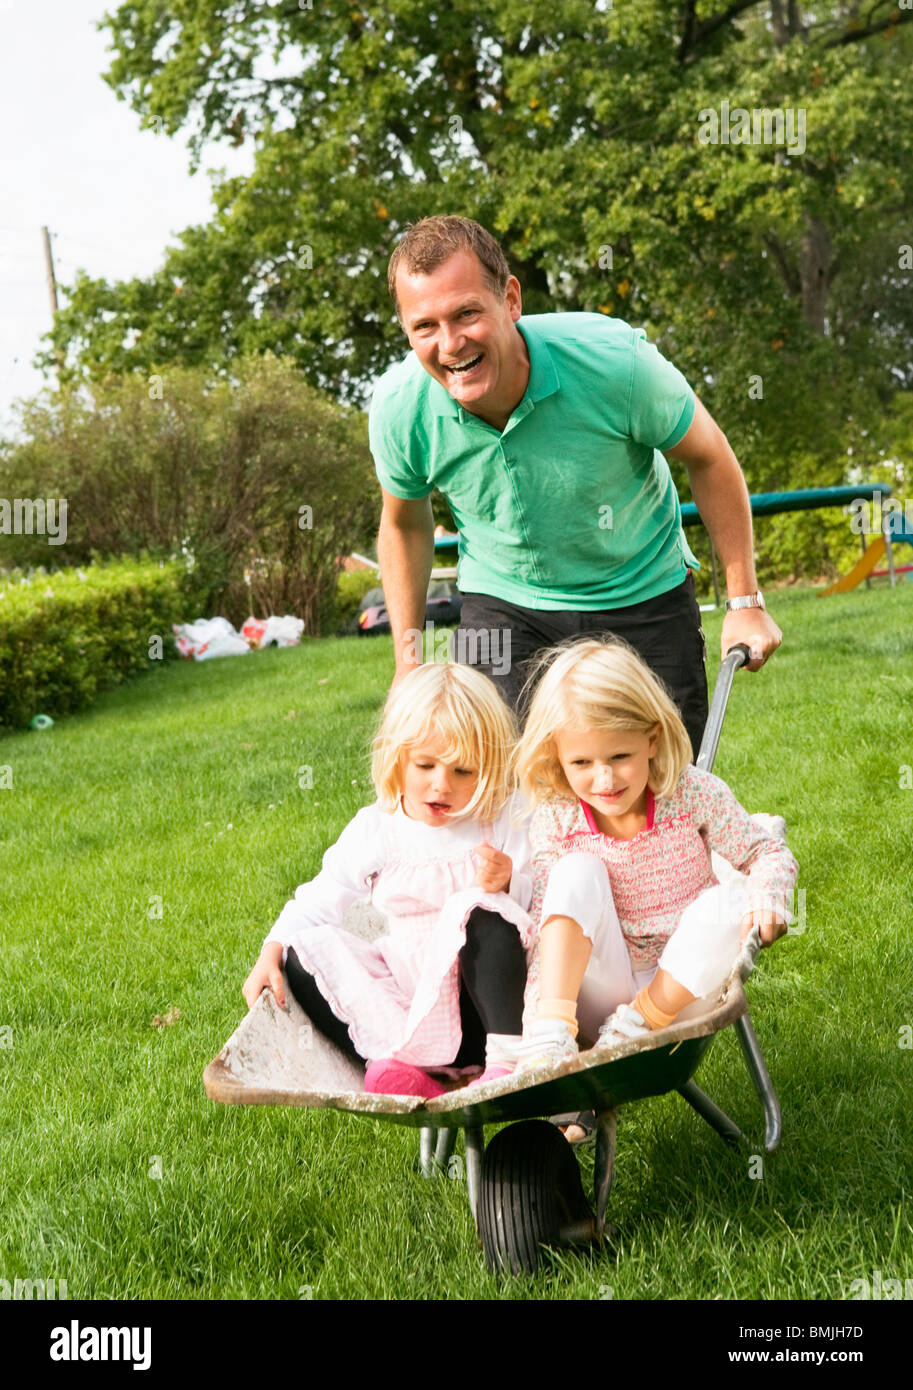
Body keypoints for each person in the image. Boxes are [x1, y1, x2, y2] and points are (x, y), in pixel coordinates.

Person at [371, 215, 782, 757]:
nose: (450, 343)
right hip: (504, 601)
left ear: (510, 300)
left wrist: (744, 601)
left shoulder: (613, 361)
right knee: (504, 788)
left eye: (466, 313)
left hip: (641, 589)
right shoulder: (401, 408)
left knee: (662, 794)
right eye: (425, 326)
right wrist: (408, 663)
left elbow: (710, 458)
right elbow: (403, 525)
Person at [512, 637, 798, 1141]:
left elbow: (765, 853)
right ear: (557, 756)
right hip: (602, 982)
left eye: (620, 755)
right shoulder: (557, 819)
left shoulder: (691, 795)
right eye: (582, 763)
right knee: (572, 873)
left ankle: (633, 1032)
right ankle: (552, 1037)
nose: (604, 779)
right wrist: (540, 1014)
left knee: (730, 899)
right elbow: (547, 923)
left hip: (678, 989)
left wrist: (767, 898)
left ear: (652, 737)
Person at [242, 662, 534, 1098]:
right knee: (304, 954)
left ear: (489, 767)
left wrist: (511, 882)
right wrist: (271, 950)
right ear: (397, 757)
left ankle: (506, 1064)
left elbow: (541, 898)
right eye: (426, 765)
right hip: (411, 1008)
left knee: (481, 910)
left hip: (488, 1014)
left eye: (463, 771)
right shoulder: (379, 829)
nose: (442, 785)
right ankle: (401, 1068)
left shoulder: (502, 818)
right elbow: (320, 898)